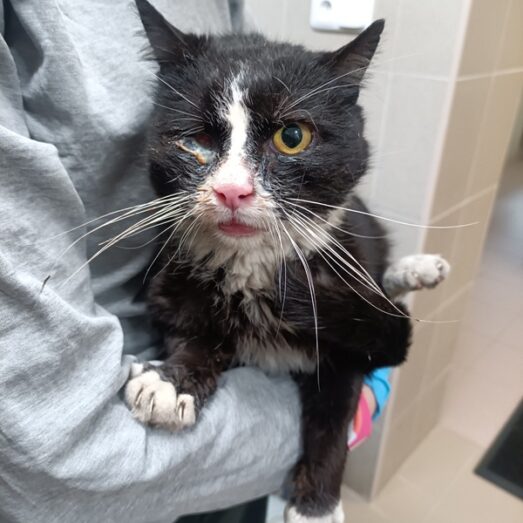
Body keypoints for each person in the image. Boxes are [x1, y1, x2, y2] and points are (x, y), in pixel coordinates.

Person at [0, 1, 392, 522]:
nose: (233, 187)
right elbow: (45, 462)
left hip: (232, 464)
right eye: (203, 139)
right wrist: (334, 426)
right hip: (123, 437)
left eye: (290, 137)